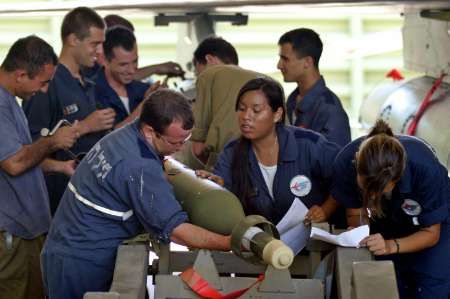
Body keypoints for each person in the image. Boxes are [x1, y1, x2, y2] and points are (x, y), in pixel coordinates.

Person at [41, 89, 231, 299]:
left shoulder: (127, 135)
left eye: (185, 140)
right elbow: (176, 231)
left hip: (68, 248)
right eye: (175, 142)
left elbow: (157, 168)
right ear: (150, 131)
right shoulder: (138, 165)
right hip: (81, 264)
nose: (180, 148)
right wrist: (229, 243)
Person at [331, 119, 450, 299]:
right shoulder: (344, 162)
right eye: (366, 190)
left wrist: (390, 245)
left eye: (379, 191)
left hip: (430, 225)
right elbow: (355, 212)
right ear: (356, 160)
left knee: (430, 286)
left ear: (399, 176)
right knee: (385, 282)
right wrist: (360, 232)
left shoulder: (425, 169)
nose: (371, 197)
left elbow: (431, 233)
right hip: (386, 219)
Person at [198, 77, 340, 226]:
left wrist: (326, 209)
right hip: (264, 244)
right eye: (241, 109)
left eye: (256, 110)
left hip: (315, 242)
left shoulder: (309, 144)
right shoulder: (231, 153)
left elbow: (345, 177)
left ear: (277, 114)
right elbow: (224, 195)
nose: (246, 117)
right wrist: (218, 187)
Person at [0, 36, 78, 299]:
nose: (44, 90)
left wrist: (60, 166)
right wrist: (52, 141)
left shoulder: (11, 101)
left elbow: (21, 156)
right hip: (12, 234)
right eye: (42, 82)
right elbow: (14, 163)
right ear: (21, 74)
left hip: (26, 230)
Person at [23, 7, 117, 214]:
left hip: (88, 197)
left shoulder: (87, 83)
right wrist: (84, 126)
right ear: (73, 40)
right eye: (95, 44)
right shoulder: (47, 84)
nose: (100, 51)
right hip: (57, 203)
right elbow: (26, 152)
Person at [188, 37, 263, 170]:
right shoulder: (266, 81)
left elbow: (197, 149)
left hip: (225, 170)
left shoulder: (209, 75)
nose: (198, 77)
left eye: (197, 71)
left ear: (209, 59)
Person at [277, 28, 351, 147]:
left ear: (307, 62)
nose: (279, 65)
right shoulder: (291, 101)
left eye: (285, 59)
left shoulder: (330, 110)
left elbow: (336, 162)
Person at [96, 25, 156, 128]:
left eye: (135, 61)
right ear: (105, 60)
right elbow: (109, 138)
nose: (132, 70)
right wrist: (144, 106)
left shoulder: (144, 90)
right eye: (123, 65)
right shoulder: (92, 94)